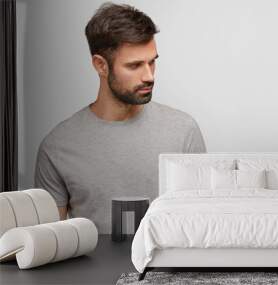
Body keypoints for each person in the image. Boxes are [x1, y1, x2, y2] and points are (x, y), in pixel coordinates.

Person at [34, 3, 206, 233]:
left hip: (166, 268)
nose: (149, 76)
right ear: (101, 65)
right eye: (134, 65)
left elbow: (202, 225)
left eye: (152, 61)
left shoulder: (183, 131)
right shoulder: (57, 148)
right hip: (91, 269)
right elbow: (49, 242)